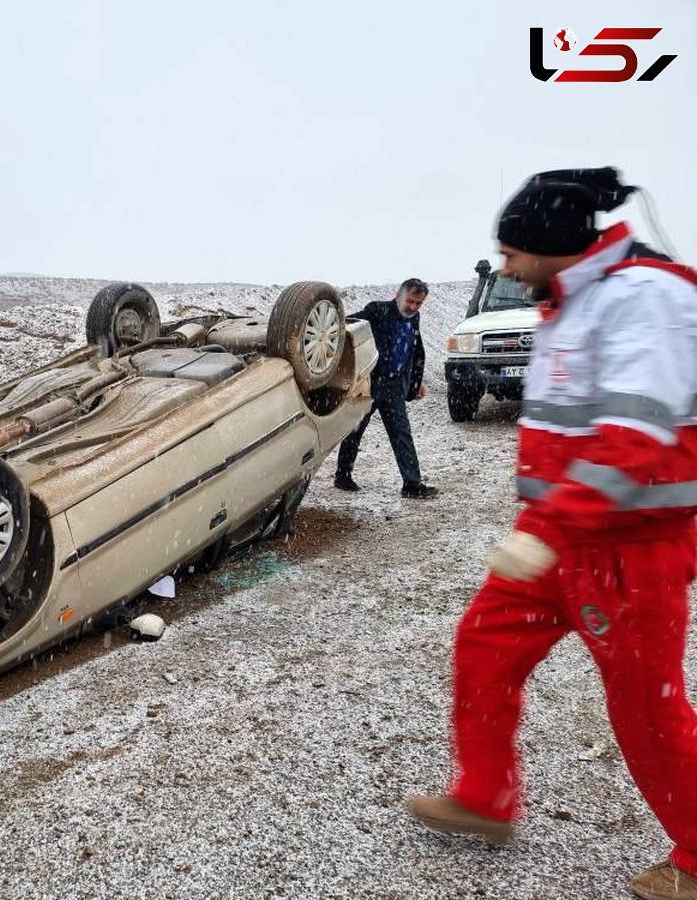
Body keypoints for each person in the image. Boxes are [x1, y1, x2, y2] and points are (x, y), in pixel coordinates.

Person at [406, 167, 697, 900]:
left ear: (550, 246)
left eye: (510, 254)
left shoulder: (646, 298)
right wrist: (545, 530)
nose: (503, 267)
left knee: (646, 708)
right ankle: (485, 795)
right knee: (484, 643)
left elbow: (635, 437)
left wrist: (552, 524)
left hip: (627, 548)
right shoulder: (572, 301)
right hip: (560, 542)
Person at [333, 277, 438, 498]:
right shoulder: (378, 310)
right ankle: (343, 476)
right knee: (355, 429)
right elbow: (350, 325)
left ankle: (411, 484)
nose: (413, 307)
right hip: (370, 382)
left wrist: (415, 384)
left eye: (418, 304)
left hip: (395, 385)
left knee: (402, 433)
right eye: (410, 301)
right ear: (398, 295)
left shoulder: (413, 318)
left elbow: (415, 351)